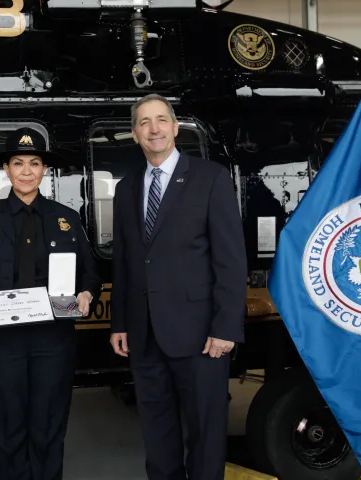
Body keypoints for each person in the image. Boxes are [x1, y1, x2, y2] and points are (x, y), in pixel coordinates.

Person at [0, 127, 102, 480]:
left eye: (34, 163)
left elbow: (90, 274)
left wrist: (87, 293)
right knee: (7, 427)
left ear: (44, 169)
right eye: (18, 163)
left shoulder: (67, 219)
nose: (27, 171)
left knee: (49, 427)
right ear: (7, 168)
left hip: (53, 339)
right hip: (0, 342)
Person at [109, 94, 247, 480]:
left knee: (205, 431)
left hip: (201, 334)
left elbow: (231, 261)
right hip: (145, 333)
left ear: (175, 127)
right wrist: (120, 322)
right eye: (144, 123)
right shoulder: (126, 189)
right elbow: (125, 262)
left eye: (160, 120)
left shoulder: (210, 178)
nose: (153, 129)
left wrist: (225, 328)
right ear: (135, 134)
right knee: (157, 432)